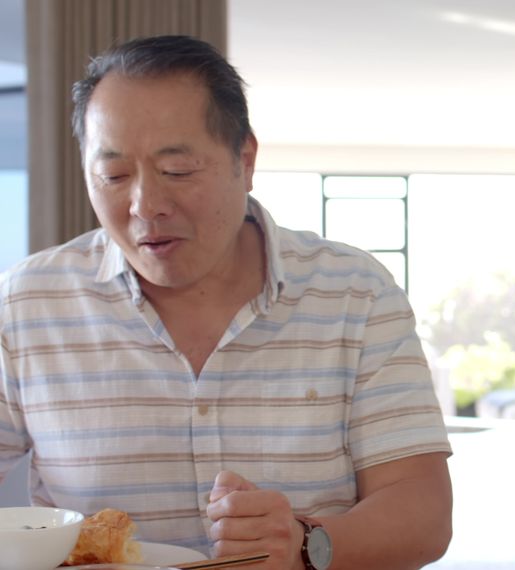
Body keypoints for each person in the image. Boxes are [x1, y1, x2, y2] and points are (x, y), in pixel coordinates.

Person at [0, 35, 452, 569]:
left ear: (245, 158)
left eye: (177, 171)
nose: (146, 205)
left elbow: (424, 514)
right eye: (114, 176)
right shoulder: (27, 305)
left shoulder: (355, 291)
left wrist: (306, 545)